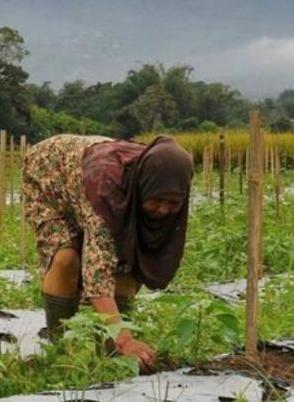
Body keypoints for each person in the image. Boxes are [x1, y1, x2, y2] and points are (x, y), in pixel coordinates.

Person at [22, 134, 194, 370]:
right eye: (157, 200)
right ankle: (60, 353)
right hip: (51, 176)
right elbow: (98, 272)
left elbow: (130, 259)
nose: (164, 210)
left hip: (87, 179)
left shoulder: (161, 176)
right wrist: (124, 339)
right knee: (67, 257)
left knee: (126, 261)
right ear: (144, 187)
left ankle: (111, 356)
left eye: (173, 203)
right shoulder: (106, 190)